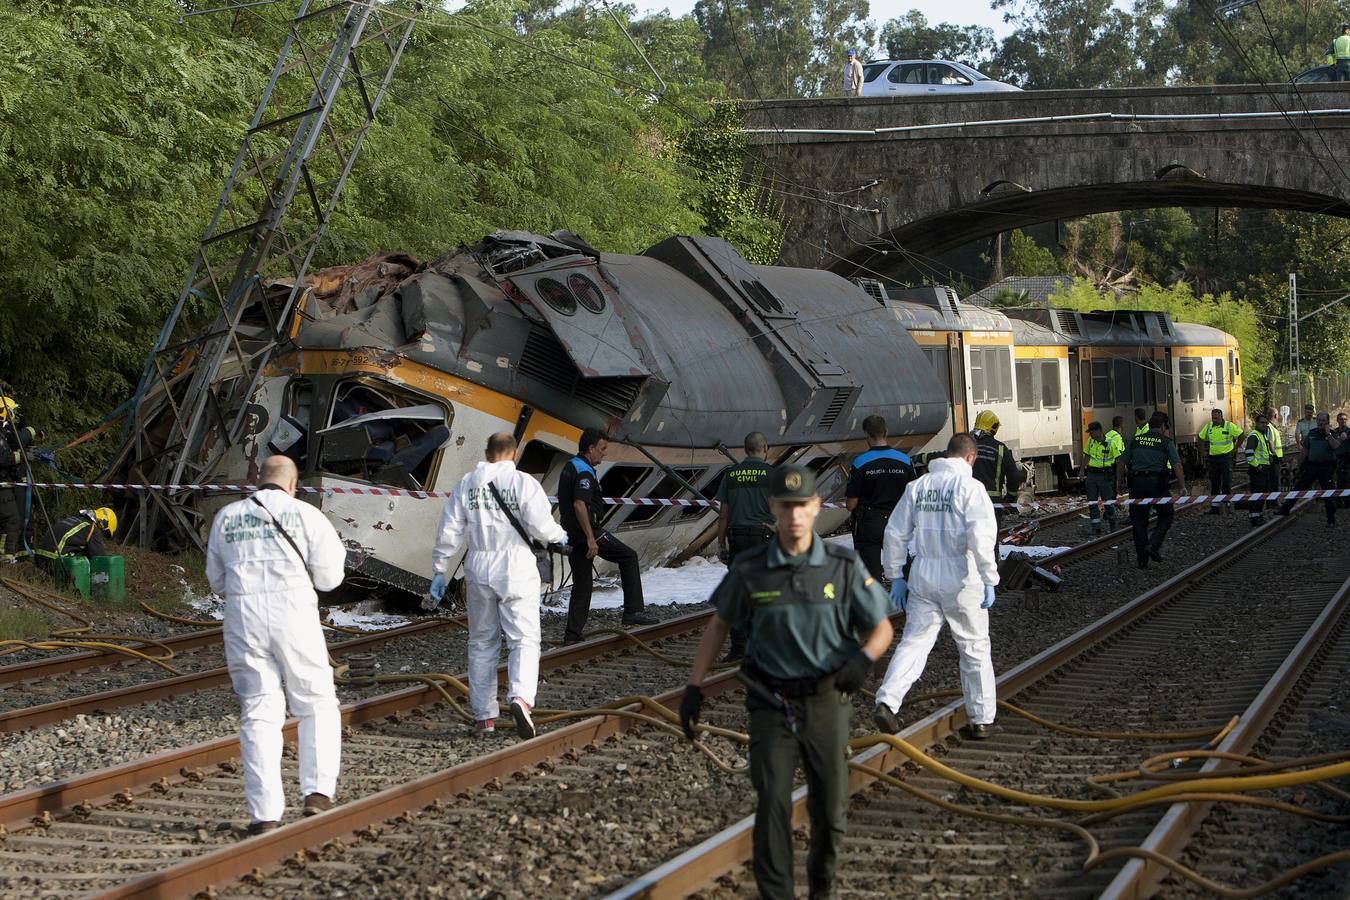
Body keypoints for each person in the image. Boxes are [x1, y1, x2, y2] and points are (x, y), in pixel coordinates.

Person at [680, 464, 892, 900]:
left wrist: (864, 660)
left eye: (803, 506)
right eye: (786, 506)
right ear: (773, 508)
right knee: (773, 805)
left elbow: (882, 627)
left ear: (816, 507)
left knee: (830, 813)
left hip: (827, 703)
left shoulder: (842, 565)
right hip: (770, 705)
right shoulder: (752, 567)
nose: (794, 515)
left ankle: (821, 888)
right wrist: (694, 687)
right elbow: (719, 624)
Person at [205, 455, 347, 835]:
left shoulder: (227, 517)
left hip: (243, 615)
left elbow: (216, 581)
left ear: (257, 480)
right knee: (316, 700)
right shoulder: (307, 515)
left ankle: (264, 814)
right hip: (293, 611)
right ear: (293, 484)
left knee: (258, 708)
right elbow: (331, 578)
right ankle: (317, 792)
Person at [427, 433, 568, 738]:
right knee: (524, 639)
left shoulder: (467, 484)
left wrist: (440, 569)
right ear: (514, 453)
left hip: (478, 565)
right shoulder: (523, 483)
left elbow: (449, 530)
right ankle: (519, 698)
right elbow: (540, 525)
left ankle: (484, 717)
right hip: (515, 566)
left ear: (486, 452)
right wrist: (559, 536)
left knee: (481, 643)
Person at [874, 432, 1000, 740]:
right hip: (962, 576)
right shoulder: (970, 488)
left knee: (914, 642)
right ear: (970, 458)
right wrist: (989, 578)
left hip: (924, 574)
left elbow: (895, 533)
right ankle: (981, 719)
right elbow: (981, 537)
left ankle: (887, 701)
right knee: (973, 647)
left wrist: (896, 575)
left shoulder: (918, 487)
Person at [559, 428, 656, 645]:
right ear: (591, 448)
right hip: (587, 533)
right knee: (628, 556)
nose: (604, 454)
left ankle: (572, 636)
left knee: (582, 585)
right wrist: (591, 538)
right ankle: (633, 611)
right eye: (602, 449)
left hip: (572, 533)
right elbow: (579, 504)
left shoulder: (571, 466)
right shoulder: (583, 471)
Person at [713, 431, 774, 662]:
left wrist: (720, 543)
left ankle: (738, 650)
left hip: (738, 539)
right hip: (764, 539)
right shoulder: (772, 475)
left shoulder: (731, 474)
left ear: (745, 449)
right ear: (764, 448)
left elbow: (723, 515)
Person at [845, 415, 916, 583]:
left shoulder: (859, 463)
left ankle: (875, 607)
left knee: (870, 577)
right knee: (903, 572)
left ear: (866, 435)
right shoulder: (904, 461)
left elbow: (851, 504)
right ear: (886, 432)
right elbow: (913, 495)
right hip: (897, 522)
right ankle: (908, 605)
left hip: (869, 524)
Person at [1120, 413, 1188, 569]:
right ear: (1163, 427)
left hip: (1136, 484)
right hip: (1157, 485)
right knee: (1167, 514)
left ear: (1148, 426)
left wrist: (1119, 482)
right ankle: (1153, 545)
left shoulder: (1135, 440)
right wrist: (1182, 486)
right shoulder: (1165, 442)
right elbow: (1177, 465)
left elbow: (1121, 462)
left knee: (1139, 521)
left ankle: (1142, 560)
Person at [1276, 411, 1341, 526]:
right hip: (1312, 466)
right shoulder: (1312, 433)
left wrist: (1328, 435)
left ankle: (1331, 519)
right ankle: (1285, 508)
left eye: (1323, 420)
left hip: (1326, 467)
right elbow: (1305, 450)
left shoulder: (1332, 433)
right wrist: (1298, 464)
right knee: (1299, 487)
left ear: (1327, 422)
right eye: (1319, 420)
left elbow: (1336, 446)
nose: (1320, 422)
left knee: (1328, 493)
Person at [971, 411, 1023, 535]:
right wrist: (1010, 497)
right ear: (993, 428)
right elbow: (1014, 476)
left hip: (969, 501)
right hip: (992, 503)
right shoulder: (1000, 448)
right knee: (990, 541)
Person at [0, 397, 35, 561]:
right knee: (13, 518)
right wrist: (22, 456)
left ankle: (6, 555)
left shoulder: (3, 432)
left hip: (6, 483)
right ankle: (7, 556)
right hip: (2, 485)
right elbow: (4, 458)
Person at [33, 507, 116, 572]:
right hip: (54, 562)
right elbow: (100, 558)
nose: (102, 535)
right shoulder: (91, 529)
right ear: (105, 524)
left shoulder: (76, 520)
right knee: (87, 557)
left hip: (39, 558)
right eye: (105, 533)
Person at [1197, 408, 1243, 514]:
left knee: (1226, 480)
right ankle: (1214, 507)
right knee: (1214, 481)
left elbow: (1241, 435)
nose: (1214, 420)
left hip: (1226, 458)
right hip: (1213, 459)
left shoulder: (1229, 426)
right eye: (1213, 418)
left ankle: (1226, 505)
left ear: (1221, 416)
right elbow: (1200, 437)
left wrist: (1235, 449)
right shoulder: (1209, 426)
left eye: (1216, 418)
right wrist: (1202, 451)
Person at [1083, 421, 1120, 534]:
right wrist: (1081, 471)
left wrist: (1119, 477)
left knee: (1108, 502)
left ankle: (1113, 526)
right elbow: (1087, 455)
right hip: (1092, 475)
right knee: (1092, 502)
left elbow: (1118, 460)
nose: (1090, 435)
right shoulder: (1090, 441)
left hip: (1105, 475)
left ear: (1099, 430)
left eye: (1092, 432)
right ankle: (1096, 527)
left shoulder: (1110, 443)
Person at [1243, 412, 1276, 526]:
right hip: (1258, 470)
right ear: (1256, 423)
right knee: (1257, 494)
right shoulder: (1254, 436)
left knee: (1262, 494)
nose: (1264, 425)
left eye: (1266, 423)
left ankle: (1258, 515)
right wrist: (1258, 466)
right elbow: (1248, 454)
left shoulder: (1263, 435)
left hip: (1264, 469)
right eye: (1262, 423)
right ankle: (1254, 517)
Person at [1332, 412, 1350, 509]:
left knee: (1346, 480)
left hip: (1347, 459)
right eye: (1341, 419)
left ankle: (1347, 501)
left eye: (1345, 419)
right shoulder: (1334, 432)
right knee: (1337, 480)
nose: (1343, 421)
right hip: (1336, 458)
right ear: (1337, 420)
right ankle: (1338, 501)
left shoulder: (1349, 431)